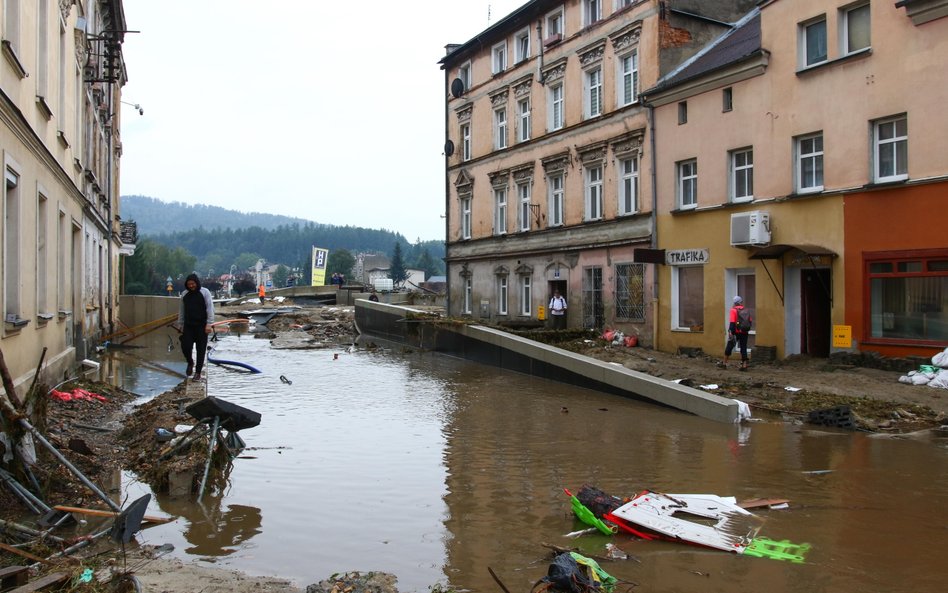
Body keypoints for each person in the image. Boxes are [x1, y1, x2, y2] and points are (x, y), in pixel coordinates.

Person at [176, 273, 214, 381]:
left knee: (201, 349)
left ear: (197, 283)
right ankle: (190, 362)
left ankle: (197, 373)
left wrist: (209, 323)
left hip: (202, 326)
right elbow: (181, 310)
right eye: (189, 284)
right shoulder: (184, 294)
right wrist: (180, 324)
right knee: (186, 346)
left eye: (193, 284)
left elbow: (210, 308)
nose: (191, 286)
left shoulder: (205, 292)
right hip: (188, 325)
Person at [724, 295, 749, 371]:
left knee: (729, 346)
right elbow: (749, 321)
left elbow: (732, 322)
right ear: (741, 302)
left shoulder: (733, 310)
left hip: (736, 332)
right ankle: (744, 365)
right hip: (744, 332)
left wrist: (730, 332)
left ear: (735, 303)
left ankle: (724, 363)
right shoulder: (746, 310)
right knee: (743, 348)